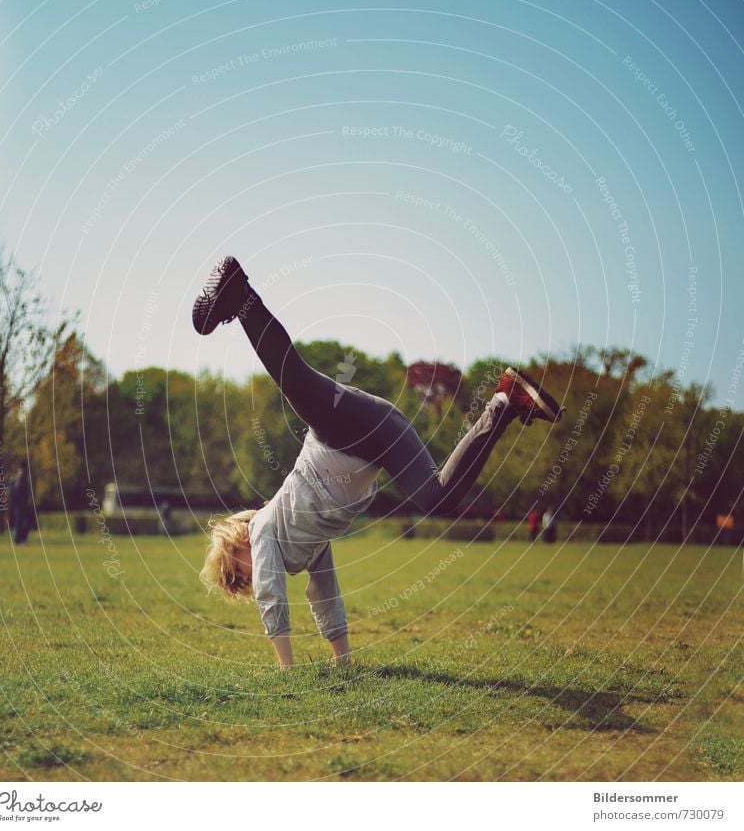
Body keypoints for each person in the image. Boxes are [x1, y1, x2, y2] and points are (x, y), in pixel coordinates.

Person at [196, 257, 564, 667]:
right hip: (379, 434)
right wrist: (344, 661)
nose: (242, 583)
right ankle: (505, 402)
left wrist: (286, 669)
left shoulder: (263, 530)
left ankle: (239, 295)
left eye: (234, 573)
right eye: (236, 585)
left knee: (293, 379)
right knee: (436, 498)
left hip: (341, 428)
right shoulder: (300, 546)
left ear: (239, 540)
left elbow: (271, 596)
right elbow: (325, 593)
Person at [10, 462, 33, 545]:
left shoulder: (16, 476)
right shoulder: (22, 476)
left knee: (21, 520)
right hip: (21, 502)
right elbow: (18, 489)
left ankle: (19, 538)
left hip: (19, 502)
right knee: (23, 520)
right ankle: (20, 539)